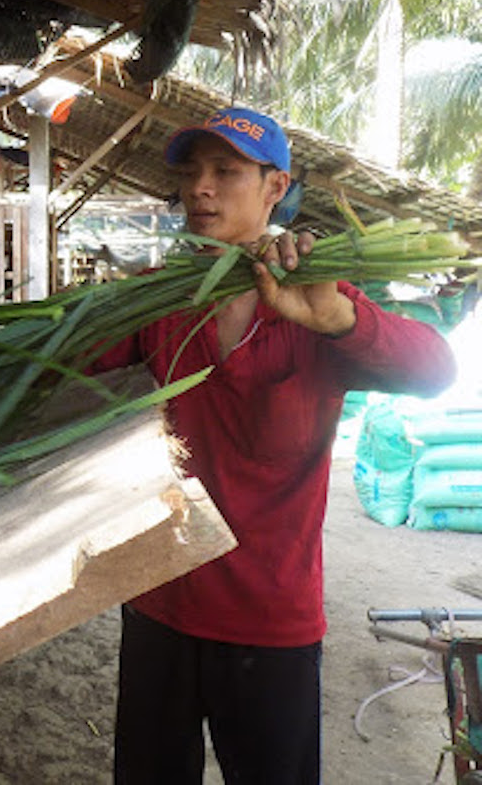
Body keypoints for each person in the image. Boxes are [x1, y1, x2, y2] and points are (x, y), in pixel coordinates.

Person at [88, 106, 457, 784]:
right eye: (191, 172)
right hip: (159, 602)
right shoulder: (160, 301)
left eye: (226, 171)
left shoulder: (318, 300)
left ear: (275, 187)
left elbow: (437, 371)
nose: (200, 188)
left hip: (269, 623)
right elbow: (72, 358)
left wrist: (337, 318)